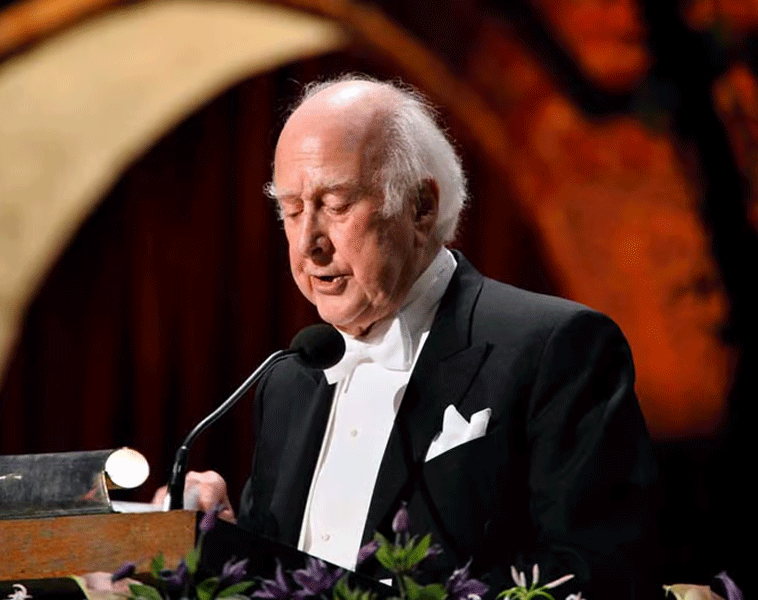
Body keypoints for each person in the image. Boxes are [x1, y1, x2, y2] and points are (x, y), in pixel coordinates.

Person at [154, 75, 659, 599]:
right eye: (292, 210)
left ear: (420, 206)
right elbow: (280, 574)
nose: (309, 245)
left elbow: (599, 574)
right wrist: (220, 538)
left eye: (335, 203)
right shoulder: (288, 382)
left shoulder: (557, 349)